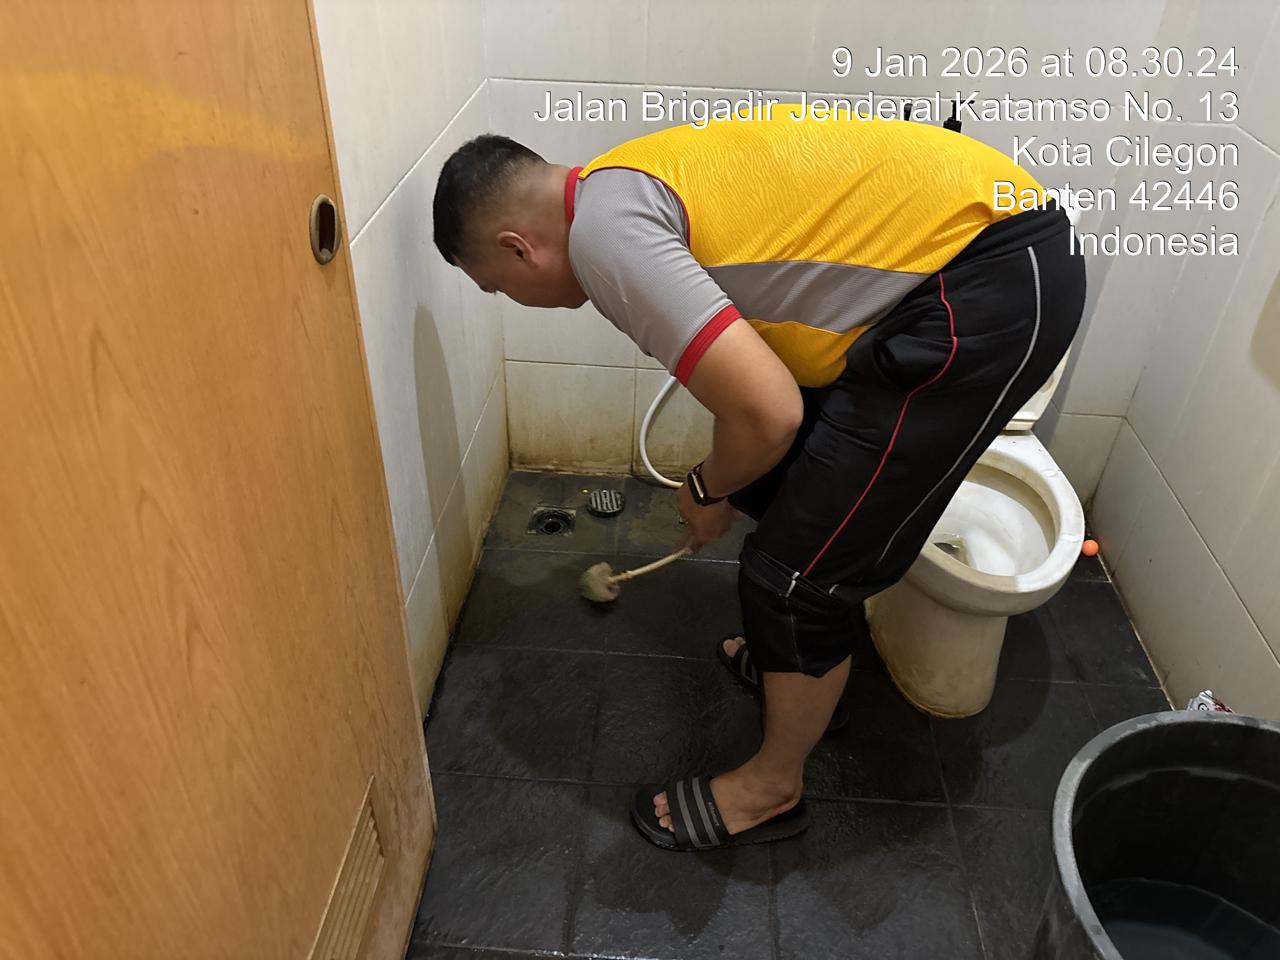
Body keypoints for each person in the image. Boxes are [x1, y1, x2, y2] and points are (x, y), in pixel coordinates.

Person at [432, 106, 1085, 851]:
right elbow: (755, 383)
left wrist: (704, 490)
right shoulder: (615, 183)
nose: (514, 301)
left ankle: (773, 786)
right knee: (784, 493)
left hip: (990, 280)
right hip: (973, 259)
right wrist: (728, 483)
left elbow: (767, 412)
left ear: (518, 248)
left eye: (499, 288)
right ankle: (798, 672)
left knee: (795, 578)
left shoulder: (604, 238)